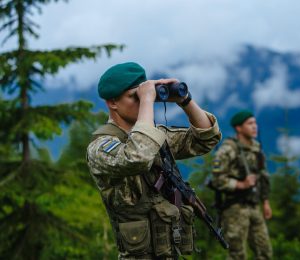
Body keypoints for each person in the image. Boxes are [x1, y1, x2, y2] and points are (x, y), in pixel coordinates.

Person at [86, 62, 222, 259]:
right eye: (135, 96)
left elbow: (205, 139)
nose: (143, 101)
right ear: (113, 103)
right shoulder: (100, 146)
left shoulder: (154, 136)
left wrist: (185, 100)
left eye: (145, 94)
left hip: (170, 251)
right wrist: (148, 100)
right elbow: (137, 157)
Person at [210, 110, 273, 260]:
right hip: (234, 209)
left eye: (255, 123)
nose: (255, 126)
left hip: (254, 206)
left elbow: (263, 176)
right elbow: (217, 179)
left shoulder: (256, 148)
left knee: (265, 252)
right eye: (250, 123)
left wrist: (265, 202)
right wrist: (241, 184)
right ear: (239, 128)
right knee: (237, 255)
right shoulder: (228, 150)